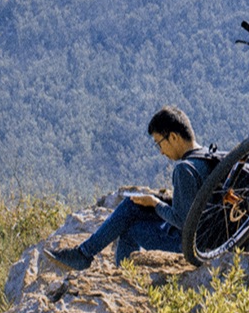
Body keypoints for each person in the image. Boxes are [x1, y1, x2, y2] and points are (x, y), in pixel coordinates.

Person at [45, 105, 213, 269]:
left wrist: (155, 203)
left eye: (159, 143)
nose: (161, 152)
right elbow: (193, 202)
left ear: (174, 137)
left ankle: (110, 269)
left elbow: (183, 221)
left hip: (190, 244)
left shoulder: (184, 169)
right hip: (208, 234)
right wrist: (157, 200)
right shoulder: (207, 157)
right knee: (132, 205)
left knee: (130, 231)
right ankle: (83, 253)